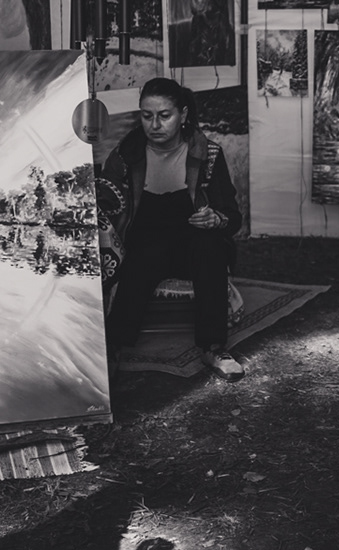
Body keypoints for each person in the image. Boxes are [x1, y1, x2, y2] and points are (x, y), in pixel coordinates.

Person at [99, 78, 245, 379]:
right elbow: (105, 204)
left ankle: (213, 347)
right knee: (142, 256)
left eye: (164, 115)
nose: (154, 125)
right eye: (147, 115)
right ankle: (113, 346)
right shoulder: (126, 154)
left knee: (210, 247)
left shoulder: (208, 154)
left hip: (193, 246)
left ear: (183, 115)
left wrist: (215, 219)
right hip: (146, 243)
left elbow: (233, 217)